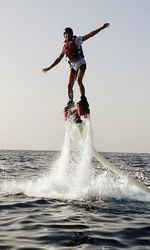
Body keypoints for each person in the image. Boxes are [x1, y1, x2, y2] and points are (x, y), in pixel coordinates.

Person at [42, 23, 110, 109]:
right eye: (65, 34)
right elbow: (59, 58)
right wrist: (49, 67)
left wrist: (102, 28)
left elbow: (90, 35)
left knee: (79, 80)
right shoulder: (64, 47)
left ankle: (83, 99)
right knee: (69, 85)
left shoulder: (77, 40)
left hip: (81, 63)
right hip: (73, 66)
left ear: (71, 34)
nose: (66, 35)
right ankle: (71, 102)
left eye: (68, 33)